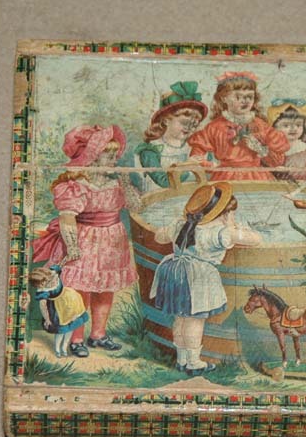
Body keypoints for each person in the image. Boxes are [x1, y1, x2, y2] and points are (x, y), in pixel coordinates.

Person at [32, 124, 140, 357]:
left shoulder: (117, 184)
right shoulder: (77, 186)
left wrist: (126, 182)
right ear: (92, 158)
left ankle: (98, 334)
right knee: (81, 289)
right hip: (86, 239)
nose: (115, 159)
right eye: (109, 155)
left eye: (115, 154)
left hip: (112, 242)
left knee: (106, 288)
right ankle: (76, 338)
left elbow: (136, 207)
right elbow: (67, 218)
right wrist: (72, 247)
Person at [150, 182, 262, 375]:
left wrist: (177, 225)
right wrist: (233, 226)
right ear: (224, 214)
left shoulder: (182, 224)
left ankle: (182, 359)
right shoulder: (220, 233)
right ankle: (194, 363)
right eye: (232, 213)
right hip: (197, 279)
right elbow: (256, 239)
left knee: (180, 318)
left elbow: (159, 237)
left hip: (174, 272)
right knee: (195, 320)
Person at [187, 71, 289, 181]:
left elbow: (278, 161)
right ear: (224, 98)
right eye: (238, 97)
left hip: (257, 177)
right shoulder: (214, 127)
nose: (245, 101)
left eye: (250, 97)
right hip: (225, 177)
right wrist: (211, 166)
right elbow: (196, 156)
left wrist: (260, 149)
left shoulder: (261, 125)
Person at [132, 81, 209, 191]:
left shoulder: (192, 148)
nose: (189, 128)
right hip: (160, 199)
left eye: (194, 125)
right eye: (184, 123)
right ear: (166, 120)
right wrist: (187, 167)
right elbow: (163, 181)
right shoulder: (151, 150)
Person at [29, 266, 89, 358]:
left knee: (70, 328)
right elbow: (43, 307)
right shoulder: (43, 292)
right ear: (39, 285)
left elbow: (58, 267)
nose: (49, 282)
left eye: (47, 279)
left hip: (70, 301)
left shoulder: (53, 274)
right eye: (43, 283)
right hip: (59, 309)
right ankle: (57, 349)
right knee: (61, 331)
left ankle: (64, 348)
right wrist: (47, 319)